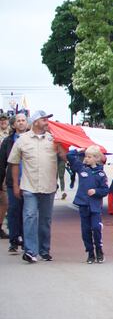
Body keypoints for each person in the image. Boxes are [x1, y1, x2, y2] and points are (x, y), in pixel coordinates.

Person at [8, 110, 65, 263]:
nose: (47, 122)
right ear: (35, 122)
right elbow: (13, 162)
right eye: (44, 119)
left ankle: (44, 250)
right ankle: (30, 251)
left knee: (45, 220)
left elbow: (64, 157)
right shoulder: (22, 140)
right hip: (29, 186)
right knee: (30, 217)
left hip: (48, 186)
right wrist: (15, 184)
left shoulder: (54, 139)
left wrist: (63, 145)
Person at [67, 146, 109, 264]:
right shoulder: (82, 169)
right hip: (83, 204)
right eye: (86, 156)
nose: (86, 159)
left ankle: (99, 250)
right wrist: (79, 150)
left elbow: (105, 190)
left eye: (89, 157)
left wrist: (96, 192)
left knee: (96, 228)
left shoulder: (101, 174)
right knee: (85, 230)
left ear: (96, 159)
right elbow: (70, 156)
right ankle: (90, 252)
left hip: (95, 206)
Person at [0, 112, 29, 251]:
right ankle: (13, 240)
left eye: (24, 120)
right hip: (13, 182)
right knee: (13, 210)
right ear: (14, 124)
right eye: (19, 120)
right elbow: (2, 163)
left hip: (30, 182)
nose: (21, 122)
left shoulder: (32, 140)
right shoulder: (8, 141)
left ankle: (25, 239)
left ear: (27, 123)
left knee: (28, 211)